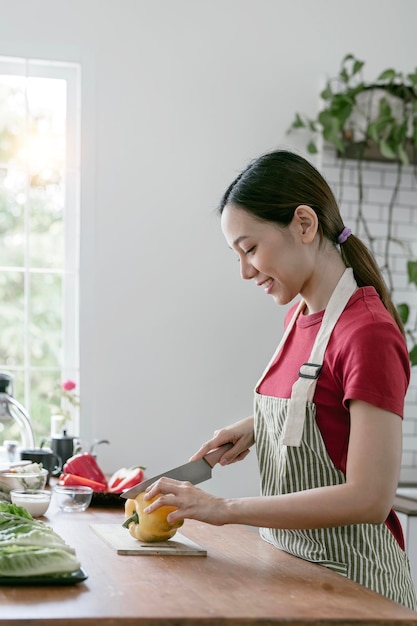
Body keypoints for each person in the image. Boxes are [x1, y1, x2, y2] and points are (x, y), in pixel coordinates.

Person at [144, 149, 417, 609]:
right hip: (293, 572)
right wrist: (258, 425)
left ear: (304, 225)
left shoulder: (367, 331)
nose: (246, 270)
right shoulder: (300, 316)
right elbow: (326, 401)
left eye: (250, 248)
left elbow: (370, 497)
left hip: (358, 592)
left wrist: (223, 509)